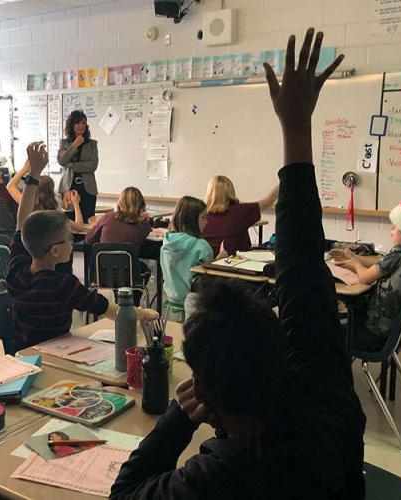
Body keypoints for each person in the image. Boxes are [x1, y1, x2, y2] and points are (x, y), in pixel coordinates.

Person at [111, 28, 365, 499]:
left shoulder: (221, 476)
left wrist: (177, 420)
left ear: (204, 394)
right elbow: (304, 270)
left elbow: (125, 493)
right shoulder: (322, 393)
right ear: (277, 352)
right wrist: (296, 128)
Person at [6, 142, 158, 350]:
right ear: (56, 251)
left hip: (24, 354)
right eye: (68, 239)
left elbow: (21, 222)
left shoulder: (17, 272)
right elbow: (111, 310)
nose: (72, 242)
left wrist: (33, 174)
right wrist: (145, 313)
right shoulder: (63, 284)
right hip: (57, 354)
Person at [335, 197, 401, 352]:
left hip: (375, 333)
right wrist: (354, 258)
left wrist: (354, 264)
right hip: (398, 332)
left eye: (394, 228)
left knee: (324, 329)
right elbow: (382, 264)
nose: (390, 232)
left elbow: (365, 278)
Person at [160, 196, 222, 312]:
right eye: (203, 217)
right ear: (191, 220)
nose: (207, 221)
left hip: (172, 297)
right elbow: (209, 279)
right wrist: (220, 259)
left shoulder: (166, 242)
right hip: (195, 301)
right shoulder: (202, 246)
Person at [202, 175, 278, 256]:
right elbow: (268, 201)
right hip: (236, 262)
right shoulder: (239, 212)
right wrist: (284, 181)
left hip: (207, 264)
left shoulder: (201, 215)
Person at [58, 110, 98, 221]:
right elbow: (62, 161)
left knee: (87, 220)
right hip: (68, 187)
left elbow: (93, 165)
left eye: (83, 123)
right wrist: (75, 145)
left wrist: (72, 166)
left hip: (87, 189)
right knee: (69, 221)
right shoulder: (64, 143)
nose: (81, 126)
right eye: (78, 123)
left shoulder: (92, 144)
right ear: (71, 125)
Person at [85, 187, 152, 253]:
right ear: (141, 204)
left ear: (120, 202)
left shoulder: (107, 217)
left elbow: (88, 239)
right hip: (128, 263)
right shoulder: (143, 225)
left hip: (103, 263)